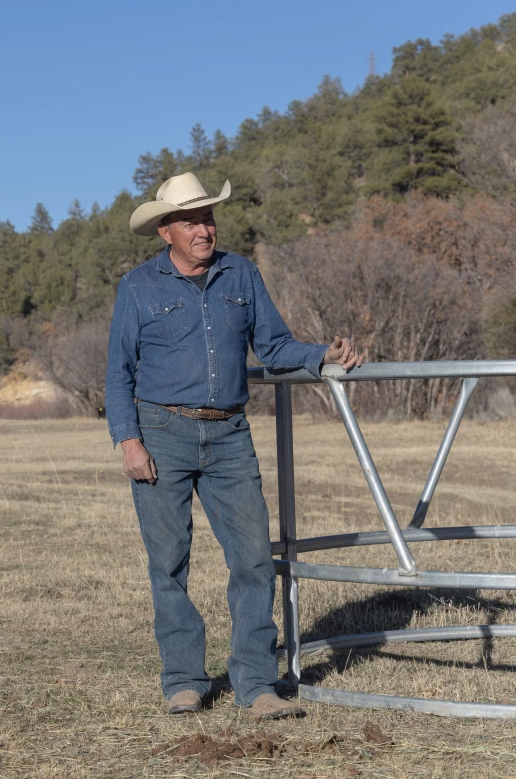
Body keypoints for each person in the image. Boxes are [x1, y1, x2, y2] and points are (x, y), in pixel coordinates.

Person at [105, 172, 362, 719]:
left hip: (229, 434)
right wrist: (129, 441)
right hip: (161, 432)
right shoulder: (138, 287)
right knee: (169, 562)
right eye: (191, 221)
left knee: (252, 560)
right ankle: (184, 678)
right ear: (165, 231)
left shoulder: (241, 272)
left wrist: (323, 355)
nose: (204, 229)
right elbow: (118, 373)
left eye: (208, 218)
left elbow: (272, 345)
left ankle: (255, 684)